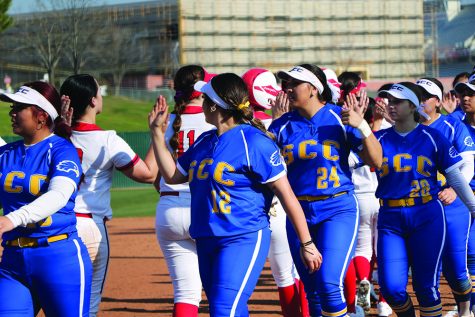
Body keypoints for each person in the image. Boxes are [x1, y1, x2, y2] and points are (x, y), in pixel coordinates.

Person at [149, 72, 322, 316]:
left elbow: (287, 195)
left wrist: (307, 243)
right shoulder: (205, 141)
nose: (201, 103)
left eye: (205, 98)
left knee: (223, 309)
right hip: (207, 237)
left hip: (243, 237)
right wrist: (157, 134)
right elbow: (172, 176)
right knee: (231, 309)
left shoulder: (255, 142)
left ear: (214, 105)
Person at [269, 64, 383, 317]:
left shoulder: (338, 118)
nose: (286, 89)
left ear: (313, 89)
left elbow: (376, 161)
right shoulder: (280, 126)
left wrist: (362, 126)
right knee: (312, 291)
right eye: (285, 83)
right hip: (299, 213)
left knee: (329, 284)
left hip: (337, 208)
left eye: (293, 84)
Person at [60, 74, 158, 316]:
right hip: (89, 224)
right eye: (99, 93)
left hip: (55, 223)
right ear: (93, 101)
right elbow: (148, 175)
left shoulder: (52, 137)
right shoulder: (107, 140)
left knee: (54, 298)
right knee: (89, 302)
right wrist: (157, 135)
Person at [374, 82, 475, 317]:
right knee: (391, 288)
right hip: (391, 216)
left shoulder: (438, 134)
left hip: (430, 212)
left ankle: (465, 309)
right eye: (389, 101)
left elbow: (459, 173)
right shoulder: (379, 138)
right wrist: (364, 128)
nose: (391, 106)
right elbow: (350, 160)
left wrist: (472, 206)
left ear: (412, 105)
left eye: (397, 101)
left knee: (444, 277)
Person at [0, 81, 92, 316]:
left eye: (19, 107)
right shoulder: (5, 154)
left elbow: (59, 195)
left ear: (41, 116)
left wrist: (11, 219)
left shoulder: (62, 150)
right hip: (13, 263)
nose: (12, 112)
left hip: (59, 260)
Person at [242, 67, 309, 317]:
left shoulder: (238, 127)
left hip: (251, 211)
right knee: (292, 275)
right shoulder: (286, 124)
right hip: (282, 207)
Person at [153, 65, 215, 317]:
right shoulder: (213, 121)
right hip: (204, 209)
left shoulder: (167, 124)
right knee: (219, 292)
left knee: (186, 294)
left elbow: (157, 179)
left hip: (168, 208)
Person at [416, 77, 475, 317]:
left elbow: (468, 164)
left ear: (437, 102)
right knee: (427, 268)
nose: (418, 100)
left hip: (453, 205)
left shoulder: (453, 126)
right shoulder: (408, 127)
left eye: (424, 96)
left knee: (457, 270)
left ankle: (465, 308)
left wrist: (453, 188)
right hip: (422, 207)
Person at [454, 72, 475, 313]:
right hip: (461, 199)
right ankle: (465, 309)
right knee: (466, 254)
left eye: (471, 94)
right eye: (463, 93)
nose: (465, 98)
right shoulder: (455, 126)